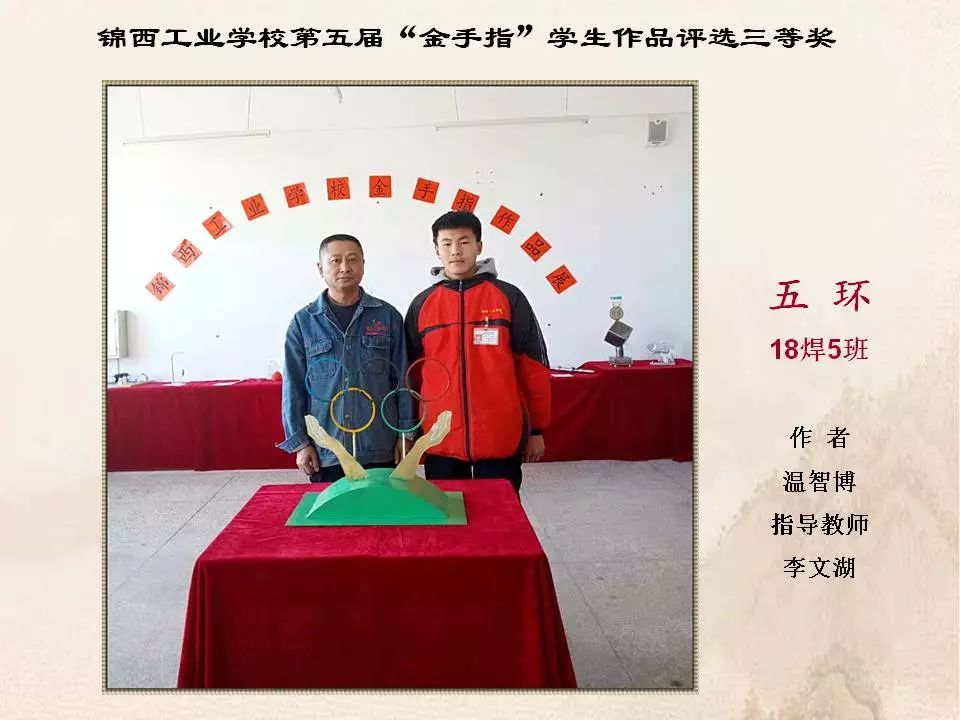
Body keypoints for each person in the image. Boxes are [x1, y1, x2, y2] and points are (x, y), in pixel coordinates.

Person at [404, 211, 551, 494]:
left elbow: (533, 367)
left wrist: (536, 430)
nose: (455, 251)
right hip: (441, 438)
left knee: (499, 514)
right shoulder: (422, 304)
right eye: (447, 244)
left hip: (499, 435)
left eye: (464, 242)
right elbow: (410, 375)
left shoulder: (509, 297)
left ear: (479, 246)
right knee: (448, 514)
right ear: (436, 250)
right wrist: (410, 431)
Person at [278, 233, 412, 483]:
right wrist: (300, 443)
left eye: (352, 259)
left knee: (381, 508)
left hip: (379, 445)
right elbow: (293, 388)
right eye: (335, 260)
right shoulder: (303, 323)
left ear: (363, 264)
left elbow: (403, 380)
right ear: (321, 269)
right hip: (327, 449)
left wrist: (406, 434)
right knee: (331, 509)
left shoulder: (388, 316)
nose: (344, 267)